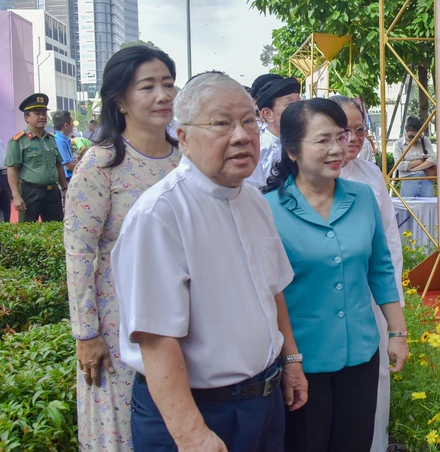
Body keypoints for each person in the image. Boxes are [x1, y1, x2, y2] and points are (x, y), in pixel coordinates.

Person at [113, 71, 308, 451]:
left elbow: (273, 291)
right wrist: (191, 434)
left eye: (248, 121)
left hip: (262, 404)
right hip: (199, 414)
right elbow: (156, 338)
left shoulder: (252, 200)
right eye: (221, 123)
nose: (241, 135)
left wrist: (292, 361)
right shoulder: (160, 214)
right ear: (183, 137)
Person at [262, 98, 408, 452]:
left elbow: (381, 269)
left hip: (360, 353)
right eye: (323, 140)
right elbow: (267, 290)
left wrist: (397, 331)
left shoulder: (362, 198)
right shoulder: (267, 209)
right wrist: (289, 358)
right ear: (292, 150)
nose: (337, 149)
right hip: (301, 359)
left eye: (341, 138)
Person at [63, 46, 182, 451]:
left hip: (182, 313)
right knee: (122, 420)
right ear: (119, 100)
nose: (163, 95)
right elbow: (80, 251)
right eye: (147, 86)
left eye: (168, 83)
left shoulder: (186, 160)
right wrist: (86, 333)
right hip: (119, 320)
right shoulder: (102, 165)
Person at [332, 95, 405, 452]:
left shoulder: (371, 174)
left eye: (361, 129)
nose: (355, 138)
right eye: (345, 131)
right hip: (323, 304)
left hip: (371, 299)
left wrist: (394, 309)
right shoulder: (302, 175)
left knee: (374, 380)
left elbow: (390, 241)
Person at [4, 93, 68, 222]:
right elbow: (12, 170)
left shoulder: (51, 139)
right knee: (27, 232)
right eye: (37, 114)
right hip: (30, 192)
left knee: (55, 231)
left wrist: (65, 188)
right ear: (26, 117)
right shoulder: (18, 141)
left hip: (53, 192)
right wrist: (16, 196)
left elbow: (58, 165)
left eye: (44, 113)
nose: (42, 117)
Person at [245, 74, 301, 188]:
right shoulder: (258, 149)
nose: (298, 108)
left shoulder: (308, 142)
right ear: (268, 114)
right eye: (290, 104)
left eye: (299, 102)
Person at [394, 117, 436, 198]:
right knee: (407, 208)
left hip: (425, 179)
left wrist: (413, 168)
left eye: (417, 136)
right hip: (408, 180)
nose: (414, 139)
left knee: (428, 207)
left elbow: (433, 159)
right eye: (411, 136)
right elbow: (399, 165)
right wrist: (421, 161)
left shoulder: (425, 140)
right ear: (406, 131)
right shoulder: (398, 144)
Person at [53, 110, 77, 182]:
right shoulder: (60, 141)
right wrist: (84, 167)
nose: (73, 125)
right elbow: (68, 166)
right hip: (65, 180)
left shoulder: (64, 140)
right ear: (66, 125)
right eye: (72, 123)